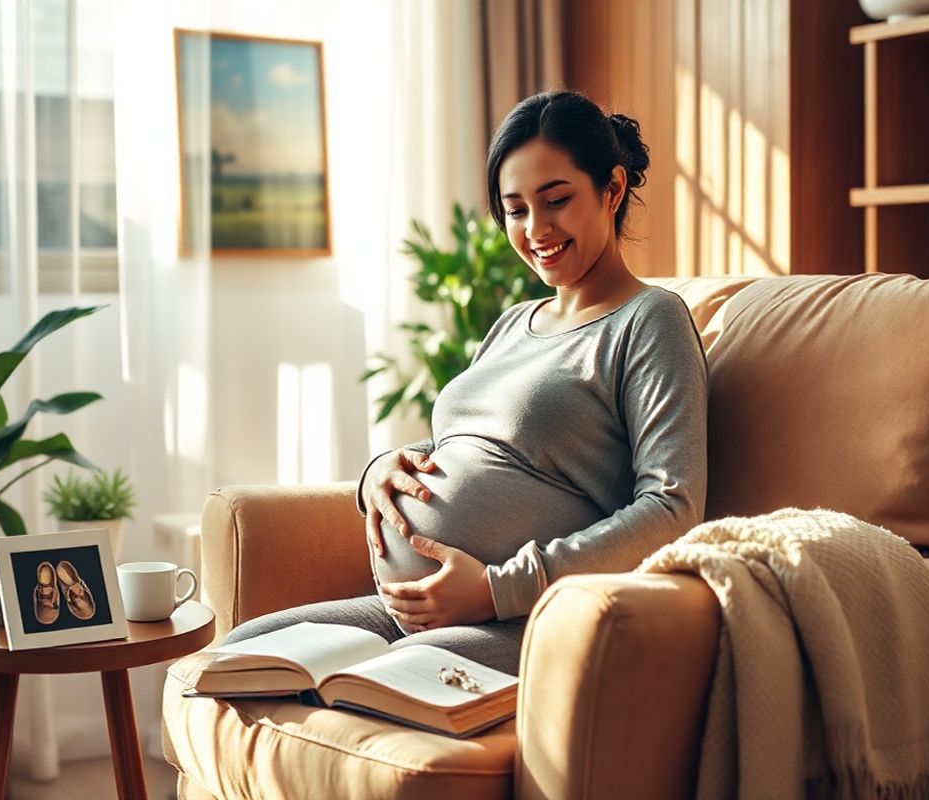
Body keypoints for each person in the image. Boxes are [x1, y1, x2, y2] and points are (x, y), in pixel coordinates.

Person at [221, 91, 708, 676]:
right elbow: (470, 446)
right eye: (516, 209)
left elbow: (672, 506)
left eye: (556, 201)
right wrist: (383, 470)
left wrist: (499, 590)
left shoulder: (649, 320)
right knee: (239, 656)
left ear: (612, 189)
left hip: (521, 618)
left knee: (369, 685)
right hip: (410, 612)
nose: (536, 229)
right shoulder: (512, 323)